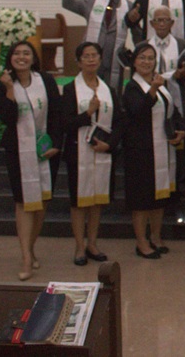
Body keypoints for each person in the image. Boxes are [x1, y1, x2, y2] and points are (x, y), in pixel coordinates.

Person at [0, 41, 62, 280]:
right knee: (24, 203)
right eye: (17, 53)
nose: (21, 57)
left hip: (46, 151)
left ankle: (31, 247)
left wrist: (55, 144)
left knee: (42, 203)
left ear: (34, 58)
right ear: (10, 58)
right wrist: (10, 91)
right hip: (18, 152)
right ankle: (25, 256)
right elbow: (7, 117)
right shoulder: (3, 83)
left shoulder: (46, 80)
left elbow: (57, 112)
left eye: (26, 53)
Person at [121, 42, 185, 259]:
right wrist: (153, 90)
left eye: (150, 58)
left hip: (162, 149)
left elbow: (172, 110)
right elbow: (137, 111)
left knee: (159, 197)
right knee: (142, 200)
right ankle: (141, 242)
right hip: (141, 151)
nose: (147, 62)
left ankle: (156, 237)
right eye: (142, 58)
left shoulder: (160, 84)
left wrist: (180, 130)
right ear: (134, 62)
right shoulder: (132, 87)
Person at [61, 42, 122, 266]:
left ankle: (92, 243)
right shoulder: (70, 90)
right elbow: (65, 123)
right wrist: (87, 113)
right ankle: (79, 245)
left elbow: (118, 123)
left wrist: (110, 145)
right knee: (80, 202)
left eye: (94, 55)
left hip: (103, 153)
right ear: (79, 61)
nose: (91, 60)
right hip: (78, 153)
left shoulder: (109, 90)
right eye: (85, 56)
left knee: (97, 201)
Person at [62, 0, 132, 89]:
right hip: (91, 58)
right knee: (88, 91)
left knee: (113, 95)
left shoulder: (128, 6)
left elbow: (136, 32)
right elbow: (68, 3)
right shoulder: (91, 1)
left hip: (114, 60)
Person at [144, 6, 185, 119]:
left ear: (171, 23)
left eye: (165, 20)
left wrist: (183, 73)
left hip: (175, 93)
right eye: (158, 20)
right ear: (152, 24)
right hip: (151, 92)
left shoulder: (182, 44)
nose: (162, 24)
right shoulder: (144, 46)